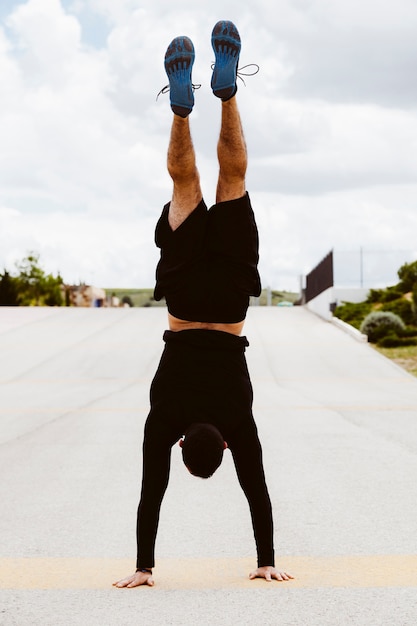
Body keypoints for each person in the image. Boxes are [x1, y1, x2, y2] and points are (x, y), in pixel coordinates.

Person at [114, 20, 293, 588]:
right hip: (187, 298)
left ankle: (228, 92)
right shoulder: (165, 417)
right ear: (185, 442)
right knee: (185, 185)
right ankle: (182, 112)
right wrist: (142, 565)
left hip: (231, 298)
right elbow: (150, 495)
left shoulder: (238, 420)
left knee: (233, 176)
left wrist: (268, 559)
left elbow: (258, 492)